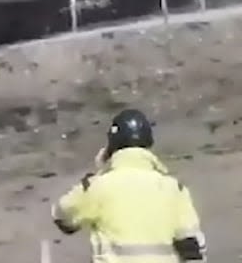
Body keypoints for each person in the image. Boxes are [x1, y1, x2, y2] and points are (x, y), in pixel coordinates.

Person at [51, 109, 207, 262]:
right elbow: (192, 249)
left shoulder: (98, 186)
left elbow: (62, 216)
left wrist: (100, 171)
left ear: (111, 148)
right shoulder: (174, 189)